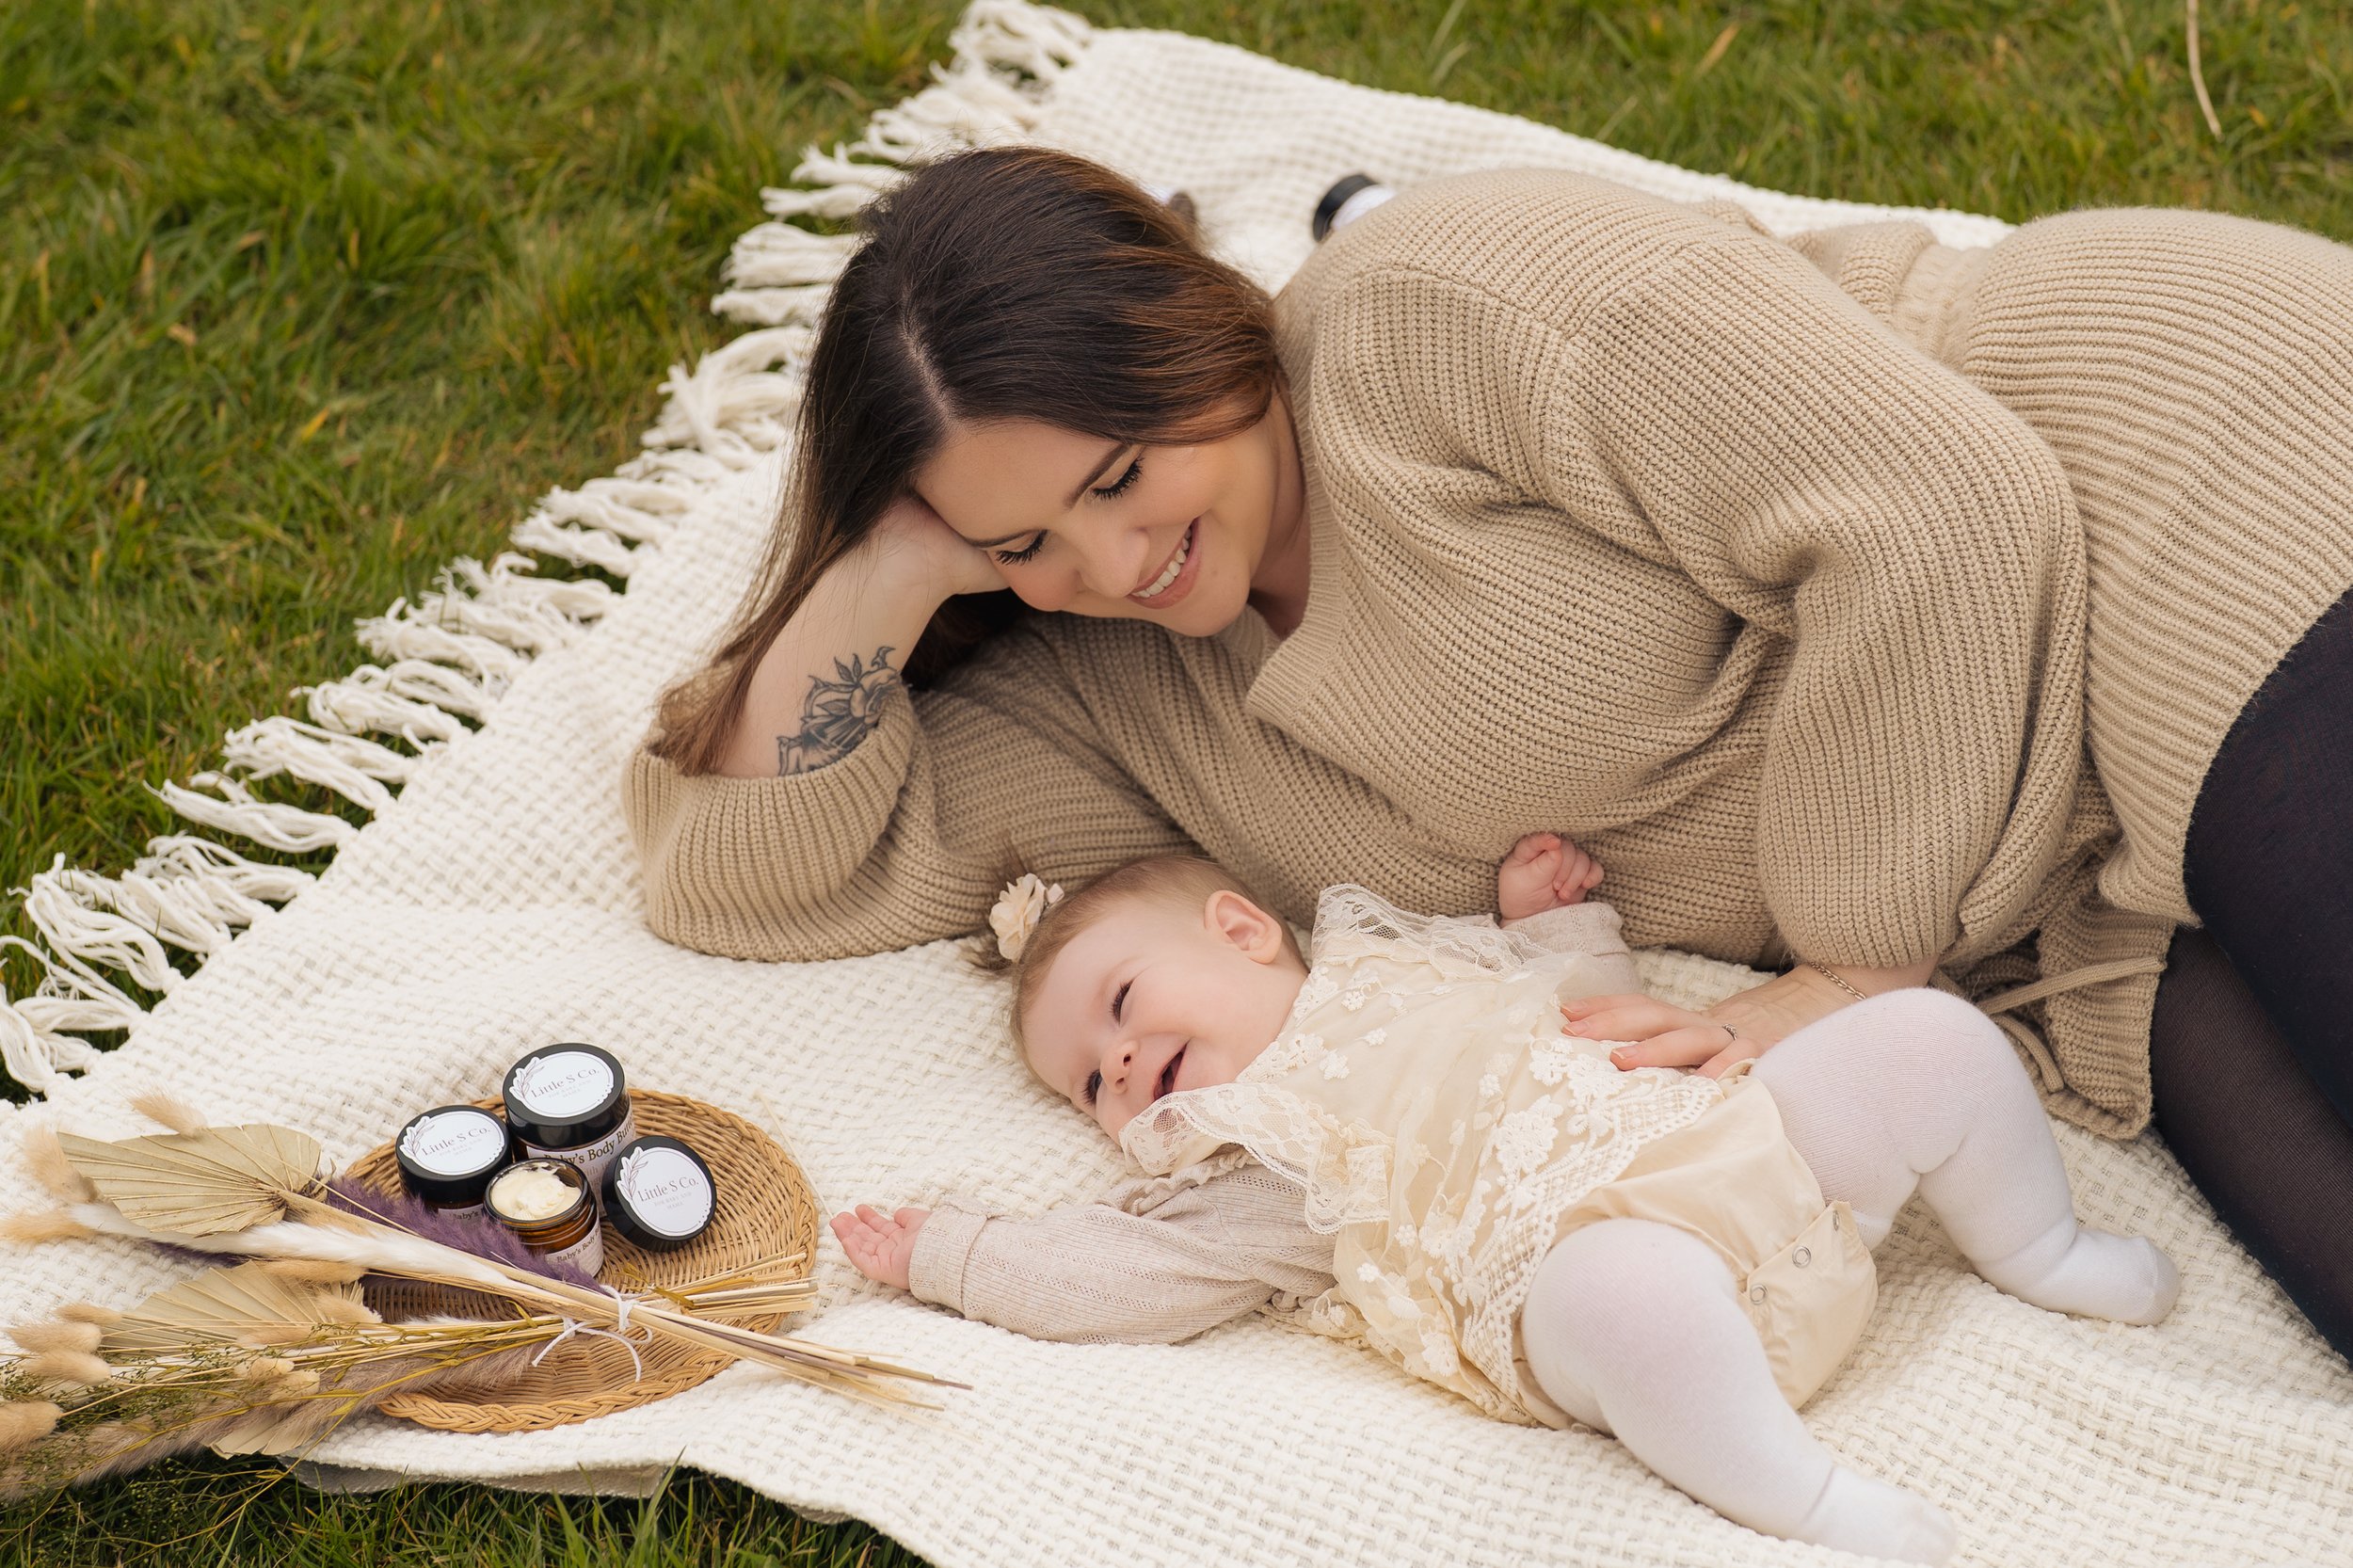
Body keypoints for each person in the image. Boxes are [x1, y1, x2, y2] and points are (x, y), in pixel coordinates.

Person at [622, 145, 2353, 1353]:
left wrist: (1847, 971)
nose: (1108, 565)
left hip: (2166, 493)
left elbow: (1947, 507)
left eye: (1117, 477)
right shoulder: (1112, 682)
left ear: (1186, 328)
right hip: (2073, 892)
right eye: (1024, 545)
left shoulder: (1433, 304)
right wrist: (890, 554)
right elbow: (759, 878)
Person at [829, 837, 2181, 1564]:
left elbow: (1575, 1006)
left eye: (1122, 1009)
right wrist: (951, 1252)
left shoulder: (1401, 962)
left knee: (1924, 1043)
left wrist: (1548, 927)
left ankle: (2042, 1243)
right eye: (1090, 1086)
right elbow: (1111, 1280)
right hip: (1606, 1289)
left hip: (1760, 1160)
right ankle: (1809, 1498)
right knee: (1629, 1291)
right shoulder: (1258, 1156)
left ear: (1243, 929)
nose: (1121, 1066)